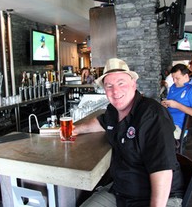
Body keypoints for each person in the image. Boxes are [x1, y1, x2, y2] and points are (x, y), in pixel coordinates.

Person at [73, 58, 184, 207]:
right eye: (109, 86)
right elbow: (101, 122)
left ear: (133, 84)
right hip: (122, 191)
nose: (115, 91)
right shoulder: (113, 111)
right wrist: (74, 129)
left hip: (157, 197)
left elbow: (162, 170)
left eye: (121, 83)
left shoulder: (152, 115)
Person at [161, 64, 192, 141]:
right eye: (173, 78)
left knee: (155, 134)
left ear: (186, 76)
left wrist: (177, 105)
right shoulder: (173, 87)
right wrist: (166, 104)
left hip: (178, 127)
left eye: (177, 78)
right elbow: (170, 103)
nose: (174, 81)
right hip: (166, 121)